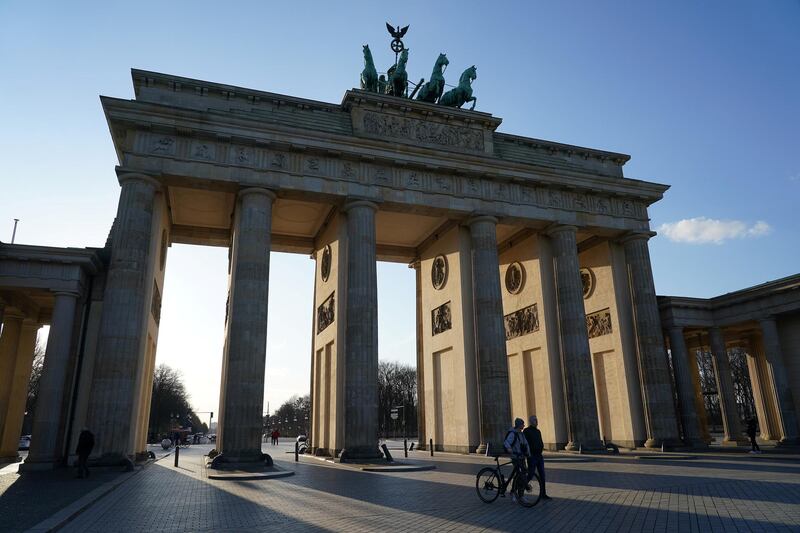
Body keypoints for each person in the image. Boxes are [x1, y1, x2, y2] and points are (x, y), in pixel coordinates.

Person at [523, 415, 551, 500]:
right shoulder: (526, 431)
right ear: (531, 422)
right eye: (535, 420)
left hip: (539, 456)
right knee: (531, 474)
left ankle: (543, 493)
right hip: (532, 456)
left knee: (542, 475)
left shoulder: (538, 431)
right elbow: (525, 443)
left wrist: (541, 448)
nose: (537, 422)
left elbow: (540, 442)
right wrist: (528, 453)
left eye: (537, 420)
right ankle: (520, 488)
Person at [503, 418, 530, 498]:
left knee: (521, 474)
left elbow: (526, 444)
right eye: (522, 424)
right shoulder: (513, 434)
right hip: (515, 457)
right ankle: (516, 493)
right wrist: (509, 448)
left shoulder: (521, 434)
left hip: (521, 456)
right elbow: (506, 442)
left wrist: (528, 453)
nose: (524, 425)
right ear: (519, 425)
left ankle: (514, 492)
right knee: (520, 475)